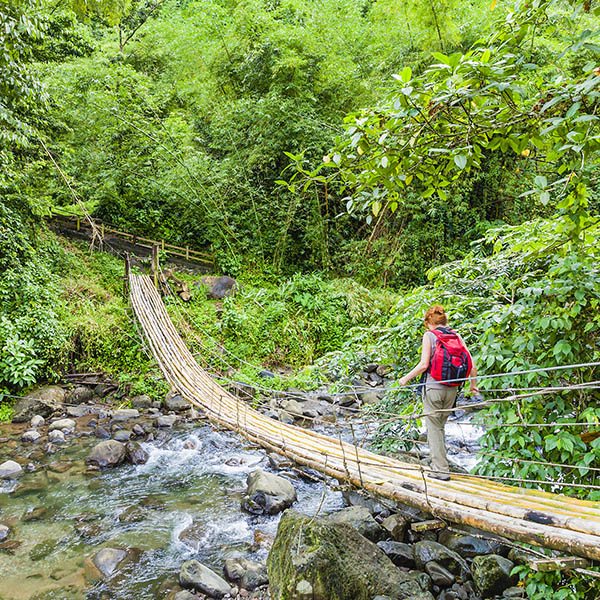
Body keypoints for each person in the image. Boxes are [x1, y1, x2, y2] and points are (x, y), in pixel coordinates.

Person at [398, 305, 479, 481]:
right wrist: (473, 385)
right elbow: (472, 365)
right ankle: (442, 465)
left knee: (434, 429)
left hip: (433, 389)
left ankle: (440, 471)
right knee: (440, 427)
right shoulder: (456, 336)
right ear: (445, 321)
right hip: (452, 390)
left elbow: (423, 365)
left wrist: (405, 379)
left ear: (428, 323)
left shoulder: (429, 336)